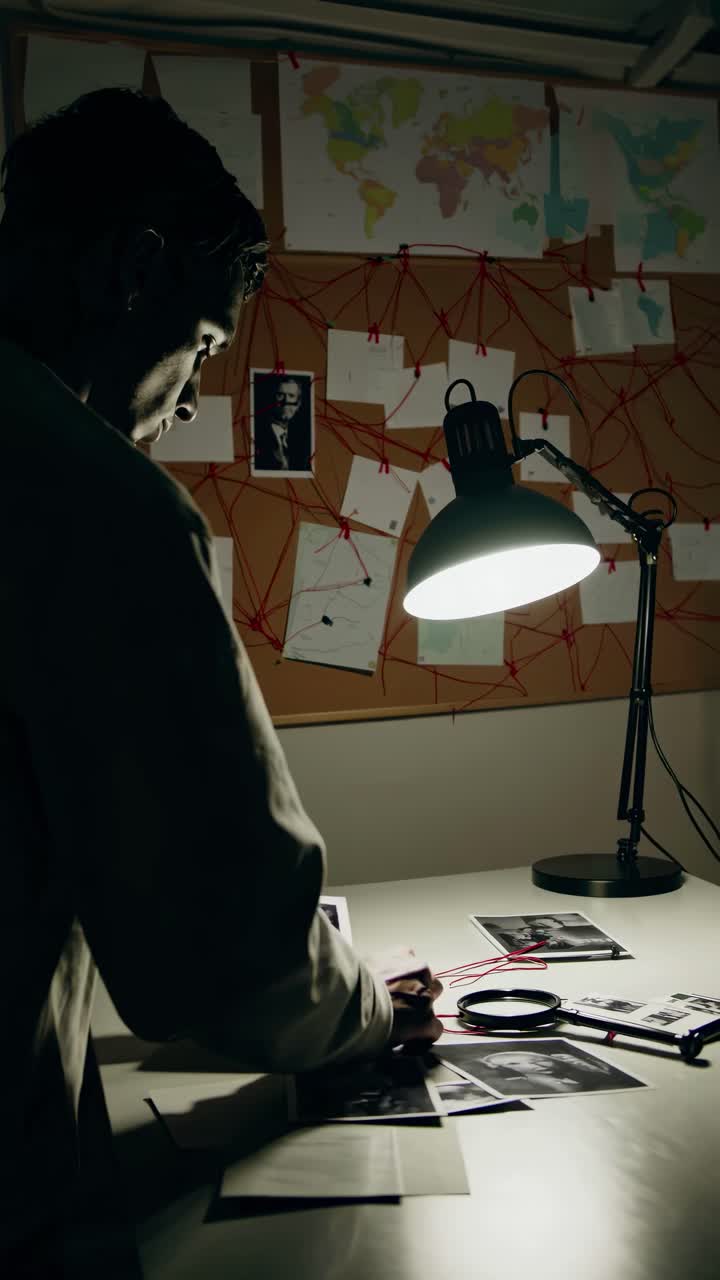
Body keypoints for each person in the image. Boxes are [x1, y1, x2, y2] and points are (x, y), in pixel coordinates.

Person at [0, 89, 443, 1274]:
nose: (191, 397)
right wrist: (376, 1015)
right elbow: (230, 948)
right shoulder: (89, 504)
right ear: (130, 268)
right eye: (199, 343)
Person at [482, 1048, 614, 1095]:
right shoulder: (520, 1086)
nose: (534, 1065)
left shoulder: (584, 1069)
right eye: (514, 1064)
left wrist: (592, 1068)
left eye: (536, 1059)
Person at [253, 373, 312, 472]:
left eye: (291, 396)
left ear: (298, 405)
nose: (286, 401)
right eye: (280, 395)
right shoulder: (256, 434)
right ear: (271, 399)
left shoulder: (302, 442)